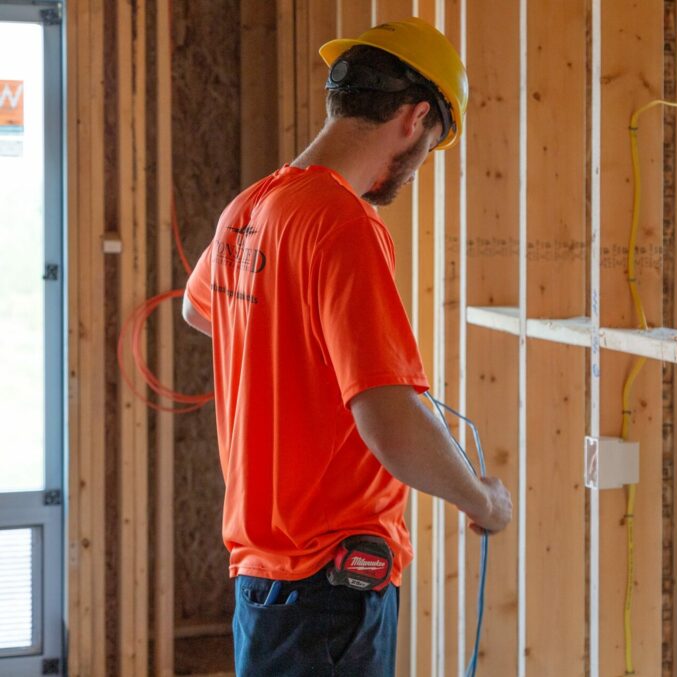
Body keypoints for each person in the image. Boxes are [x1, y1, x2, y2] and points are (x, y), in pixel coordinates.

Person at [182, 17, 512, 676]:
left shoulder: (250, 208)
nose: (417, 170)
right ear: (415, 118)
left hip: (266, 583)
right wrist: (481, 499)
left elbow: (202, 311)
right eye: (430, 146)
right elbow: (388, 416)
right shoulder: (344, 223)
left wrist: (303, 352)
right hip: (330, 589)